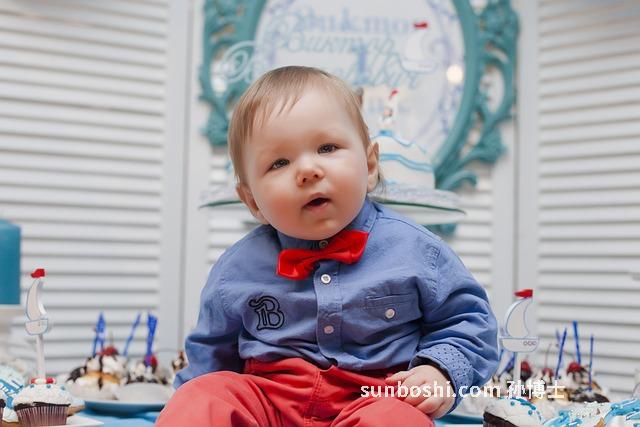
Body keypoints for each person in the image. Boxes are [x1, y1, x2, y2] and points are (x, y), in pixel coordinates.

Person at [157, 66, 499, 427]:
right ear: (253, 201)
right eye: (279, 162)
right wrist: (196, 401)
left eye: (327, 148)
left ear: (370, 165)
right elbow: (211, 352)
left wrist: (439, 370)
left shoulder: (417, 251)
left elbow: (469, 322)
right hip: (269, 404)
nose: (308, 170)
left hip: (375, 398)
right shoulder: (236, 269)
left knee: (396, 420)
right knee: (201, 397)